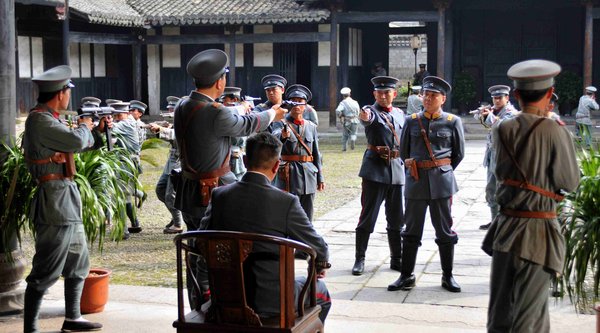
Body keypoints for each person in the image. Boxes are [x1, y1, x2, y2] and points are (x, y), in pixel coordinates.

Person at [172, 49, 286, 310]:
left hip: (188, 189)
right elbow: (247, 125)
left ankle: (197, 305)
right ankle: (212, 306)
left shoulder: (184, 104)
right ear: (220, 82)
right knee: (214, 252)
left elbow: (221, 115)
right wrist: (272, 114)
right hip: (212, 191)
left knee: (196, 247)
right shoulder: (216, 113)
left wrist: (237, 107)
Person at [482, 59, 580, 332]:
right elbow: (569, 182)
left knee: (501, 311)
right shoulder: (556, 130)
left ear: (515, 95)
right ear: (549, 94)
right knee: (531, 316)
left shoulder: (503, 127)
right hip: (538, 232)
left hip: (505, 229)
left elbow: (500, 171)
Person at [200, 132, 331, 322]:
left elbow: (199, 241)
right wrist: (320, 264)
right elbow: (319, 248)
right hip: (273, 302)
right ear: (277, 165)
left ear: (244, 161)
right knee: (322, 292)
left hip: (225, 298)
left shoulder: (220, 196)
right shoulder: (286, 202)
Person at [22, 65, 107, 333]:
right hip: (54, 201)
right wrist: (84, 127)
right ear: (61, 93)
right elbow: (75, 142)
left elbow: (80, 144)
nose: (69, 96)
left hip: (66, 197)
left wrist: (97, 130)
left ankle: (73, 318)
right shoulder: (40, 120)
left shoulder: (51, 118)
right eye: (68, 91)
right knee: (46, 267)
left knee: (78, 260)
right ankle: (30, 328)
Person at [388, 76, 465, 293]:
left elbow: (458, 154)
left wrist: (440, 169)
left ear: (443, 98)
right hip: (416, 182)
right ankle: (406, 275)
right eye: (426, 94)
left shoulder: (452, 121)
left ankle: (447, 276)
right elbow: (404, 152)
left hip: (442, 183)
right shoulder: (412, 120)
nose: (429, 98)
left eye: (434, 95)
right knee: (411, 231)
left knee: (445, 231)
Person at [351, 76, 405, 276]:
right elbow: (367, 119)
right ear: (374, 94)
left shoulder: (400, 114)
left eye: (387, 92)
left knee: (397, 218)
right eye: (379, 93)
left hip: (397, 171)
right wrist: (363, 115)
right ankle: (360, 258)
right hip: (375, 171)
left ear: (394, 94)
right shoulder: (370, 111)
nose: (383, 96)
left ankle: (396, 258)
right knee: (368, 216)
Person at [273, 84, 324, 222]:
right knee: (290, 213)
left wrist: (320, 177)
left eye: (300, 102)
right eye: (293, 101)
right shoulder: (280, 122)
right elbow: (275, 137)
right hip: (290, 175)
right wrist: (283, 135)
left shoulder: (311, 126)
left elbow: (316, 153)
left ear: (305, 105)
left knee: (308, 214)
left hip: (309, 174)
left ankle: (306, 241)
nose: (297, 105)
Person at [474, 85, 519, 231]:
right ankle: (494, 220)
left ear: (507, 98)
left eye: (500, 98)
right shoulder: (495, 110)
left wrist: (489, 115)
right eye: (494, 98)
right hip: (492, 155)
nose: (497, 100)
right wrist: (482, 112)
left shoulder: (512, 113)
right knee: (491, 190)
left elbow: (502, 125)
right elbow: (479, 118)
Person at [150, 96, 185, 234]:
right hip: (172, 160)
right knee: (161, 189)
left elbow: (178, 136)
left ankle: (178, 223)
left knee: (171, 194)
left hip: (179, 161)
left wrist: (161, 129)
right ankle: (175, 216)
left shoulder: (186, 120)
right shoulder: (177, 122)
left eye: (173, 109)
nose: (170, 111)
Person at [111, 101, 144, 235]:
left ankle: (123, 230)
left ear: (119, 114)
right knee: (125, 195)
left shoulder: (125, 124)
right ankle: (132, 223)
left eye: (115, 115)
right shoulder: (129, 122)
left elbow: (109, 128)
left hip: (126, 163)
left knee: (120, 196)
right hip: (126, 163)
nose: (114, 117)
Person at [221, 86, 250, 180]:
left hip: (235, 154)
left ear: (234, 99)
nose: (222, 103)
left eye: (225, 100)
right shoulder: (237, 112)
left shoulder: (236, 114)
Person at [336, 87, 360, 151]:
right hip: (355, 120)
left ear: (343, 95)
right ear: (350, 94)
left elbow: (338, 111)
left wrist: (340, 116)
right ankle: (353, 139)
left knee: (345, 135)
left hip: (347, 121)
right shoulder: (355, 102)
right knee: (354, 133)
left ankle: (344, 148)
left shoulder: (343, 103)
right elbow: (358, 111)